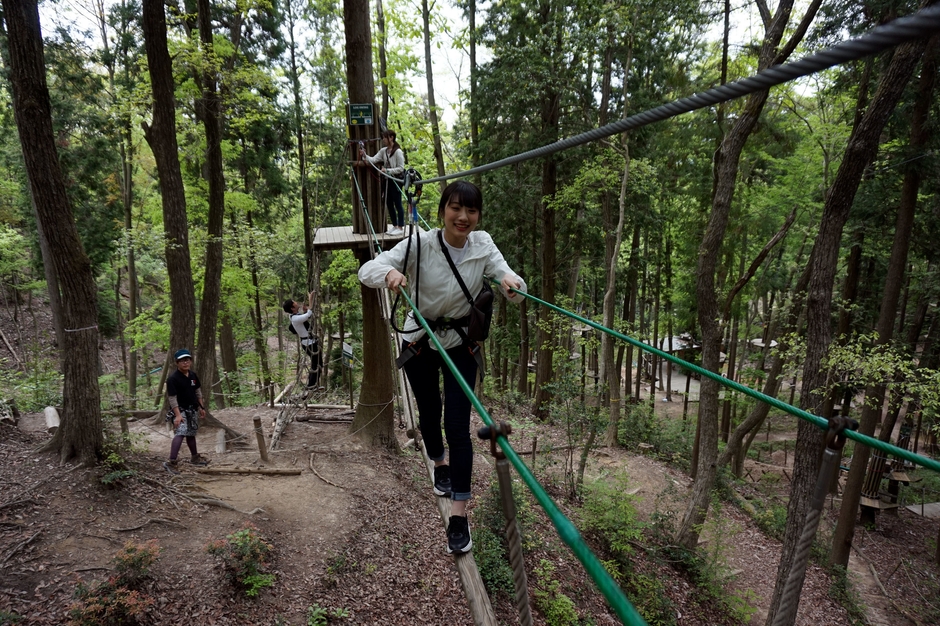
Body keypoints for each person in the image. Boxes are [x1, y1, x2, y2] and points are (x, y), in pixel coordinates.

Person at [358, 180, 526, 554]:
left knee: (458, 426)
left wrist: (512, 284)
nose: (463, 217)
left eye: (471, 210)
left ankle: (459, 515)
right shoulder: (419, 244)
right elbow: (370, 267)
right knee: (430, 412)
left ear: (478, 215)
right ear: (442, 211)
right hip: (419, 342)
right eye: (455, 208)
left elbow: (506, 276)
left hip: (461, 344)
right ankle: (438, 463)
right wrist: (389, 275)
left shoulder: (483, 244)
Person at [163, 349, 209, 474]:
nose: (185, 363)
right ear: (177, 363)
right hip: (180, 409)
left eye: (187, 360)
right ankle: (171, 461)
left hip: (193, 408)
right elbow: (172, 398)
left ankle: (195, 457)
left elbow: (198, 392)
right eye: (182, 361)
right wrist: (177, 415)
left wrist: (202, 407)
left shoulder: (193, 375)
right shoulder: (173, 379)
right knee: (181, 432)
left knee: (191, 433)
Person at [359, 130, 405, 235]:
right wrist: (365, 155)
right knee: (389, 203)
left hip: (396, 180)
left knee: (398, 203)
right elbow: (373, 160)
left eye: (385, 137)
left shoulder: (398, 152)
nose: (383, 140)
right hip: (387, 180)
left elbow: (401, 168)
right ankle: (394, 225)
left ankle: (400, 226)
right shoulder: (383, 151)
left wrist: (388, 171)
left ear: (391, 138)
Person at [282, 291, 322, 389]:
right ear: (292, 308)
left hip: (310, 342)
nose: (296, 302)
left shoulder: (295, 316)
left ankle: (311, 385)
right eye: (294, 302)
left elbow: (305, 316)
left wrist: (305, 310)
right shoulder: (294, 318)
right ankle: (311, 386)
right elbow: (309, 315)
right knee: (317, 364)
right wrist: (310, 299)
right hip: (309, 343)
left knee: (316, 364)